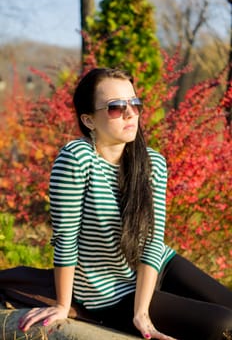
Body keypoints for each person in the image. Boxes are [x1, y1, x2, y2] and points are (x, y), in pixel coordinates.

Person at [18, 68, 232, 339]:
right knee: (223, 325)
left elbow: (154, 240)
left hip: (156, 266)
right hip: (107, 291)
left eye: (135, 103)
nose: (131, 113)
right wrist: (63, 305)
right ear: (89, 120)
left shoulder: (152, 162)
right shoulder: (77, 159)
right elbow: (65, 238)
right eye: (116, 107)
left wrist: (142, 312)